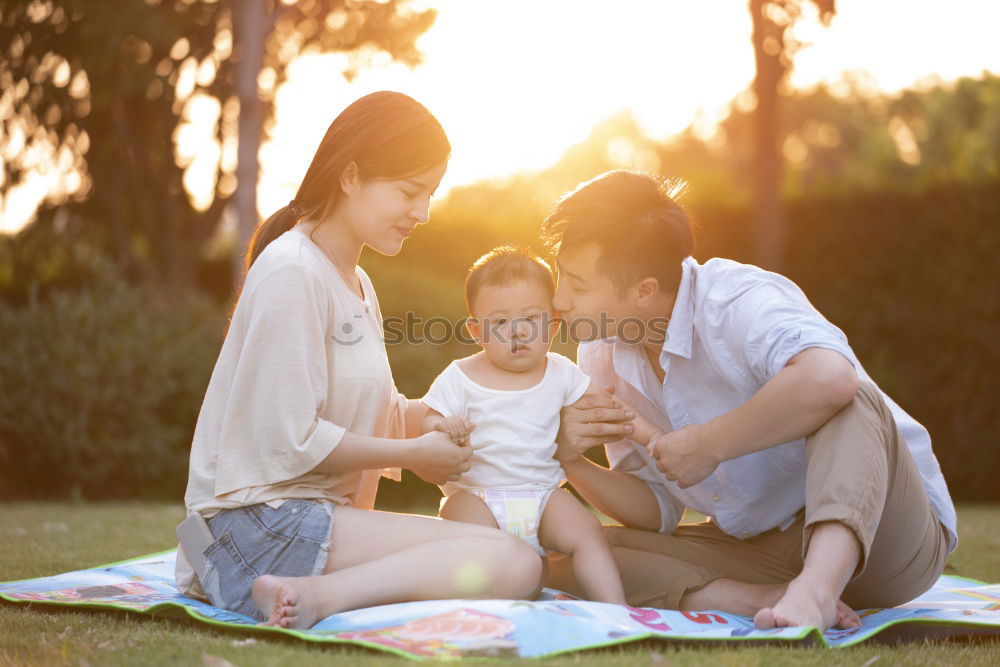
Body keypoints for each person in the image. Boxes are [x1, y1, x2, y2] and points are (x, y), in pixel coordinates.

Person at [175, 91, 543, 630]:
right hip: (252, 532)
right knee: (512, 562)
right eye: (410, 192)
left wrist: (431, 422)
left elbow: (372, 407)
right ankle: (316, 597)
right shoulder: (292, 272)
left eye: (430, 194)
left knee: (509, 558)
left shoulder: (355, 280)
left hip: (297, 523)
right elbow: (288, 438)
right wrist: (413, 453)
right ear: (350, 177)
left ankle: (314, 589)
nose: (423, 212)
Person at [542, 170, 957, 631]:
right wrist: (570, 460)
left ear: (644, 290)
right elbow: (656, 511)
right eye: (562, 275)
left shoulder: (737, 302)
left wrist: (707, 444)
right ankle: (755, 598)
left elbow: (830, 378)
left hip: (886, 540)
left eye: (578, 286)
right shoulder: (601, 354)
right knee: (576, 551)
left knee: (848, 394)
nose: (559, 299)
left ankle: (817, 590)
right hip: (760, 552)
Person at [419, 247, 626, 605]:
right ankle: (479, 606)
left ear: (554, 323)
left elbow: (607, 405)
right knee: (469, 539)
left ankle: (617, 611)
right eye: (500, 322)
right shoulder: (460, 377)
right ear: (475, 330)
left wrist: (649, 435)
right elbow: (428, 418)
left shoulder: (561, 371)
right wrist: (442, 425)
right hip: (476, 496)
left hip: (542, 495)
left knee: (589, 533)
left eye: (532, 318)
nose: (518, 332)